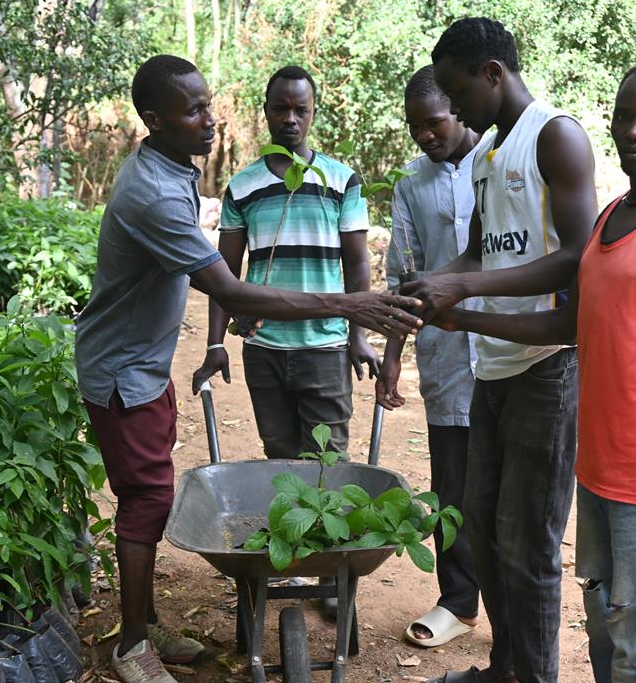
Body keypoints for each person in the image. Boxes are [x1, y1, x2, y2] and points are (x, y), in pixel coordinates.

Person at [73, 54, 422, 683]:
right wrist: (351, 305)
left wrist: (349, 327)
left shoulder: (177, 168)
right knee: (145, 500)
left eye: (210, 103)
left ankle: (144, 622)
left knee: (184, 488)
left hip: (145, 368)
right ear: (153, 120)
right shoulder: (154, 192)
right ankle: (132, 646)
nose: (211, 118)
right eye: (194, 110)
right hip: (123, 371)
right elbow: (230, 291)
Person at [434, 58, 636, 683]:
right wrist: (467, 319)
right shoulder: (611, 216)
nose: (634, 132)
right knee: (606, 635)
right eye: (624, 117)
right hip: (599, 469)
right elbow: (569, 327)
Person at [398, 18, 599, 683]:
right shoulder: (486, 153)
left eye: (459, 94)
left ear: (493, 74)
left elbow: (576, 260)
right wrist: (437, 287)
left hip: (547, 367)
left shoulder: (554, 136)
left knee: (529, 549)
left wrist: (467, 286)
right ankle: (505, 669)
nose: (453, 110)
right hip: (494, 365)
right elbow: (479, 251)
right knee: (482, 528)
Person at [192, 65, 378, 461]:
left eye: (300, 109)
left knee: (327, 460)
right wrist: (214, 342)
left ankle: (318, 527)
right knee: (277, 455)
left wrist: (358, 336)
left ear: (313, 112)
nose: (289, 119)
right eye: (280, 108)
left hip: (325, 345)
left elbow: (357, 264)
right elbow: (222, 271)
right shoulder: (242, 186)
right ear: (266, 111)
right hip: (264, 347)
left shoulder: (343, 180)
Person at [376, 64, 483, 649]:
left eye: (434, 122)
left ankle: (515, 605)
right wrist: (393, 354)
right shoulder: (411, 185)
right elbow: (402, 273)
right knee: (452, 484)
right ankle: (459, 600)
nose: (424, 135)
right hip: (444, 354)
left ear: (460, 110)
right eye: (414, 126)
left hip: (508, 349)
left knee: (510, 487)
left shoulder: (500, 163)